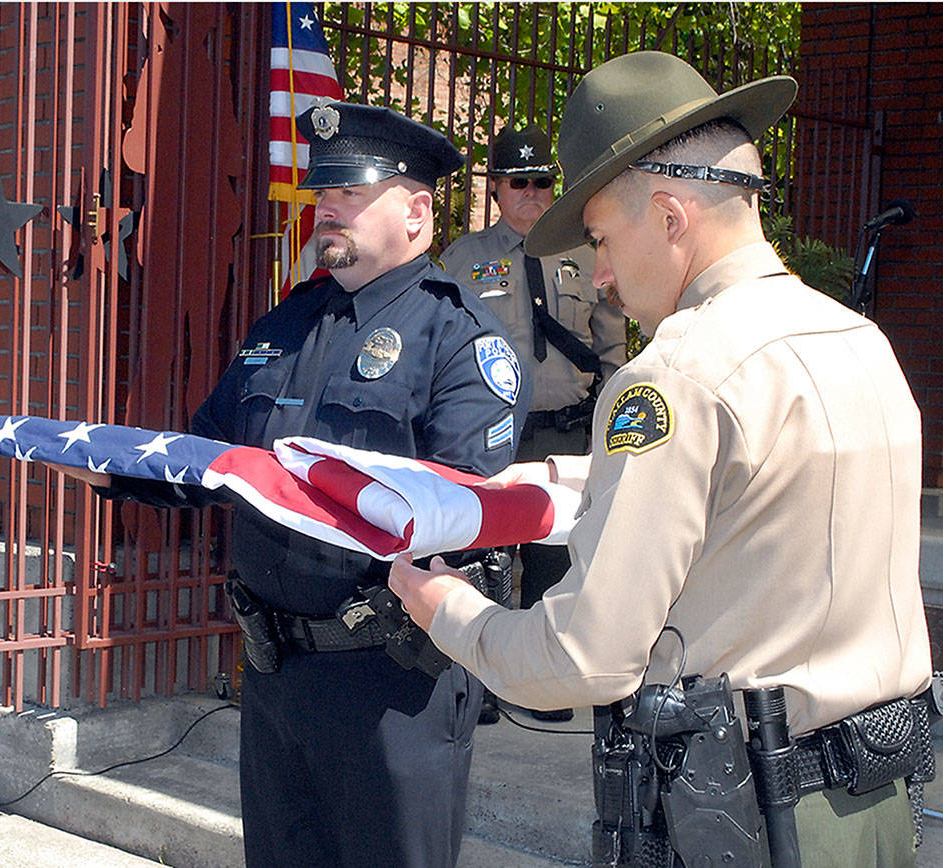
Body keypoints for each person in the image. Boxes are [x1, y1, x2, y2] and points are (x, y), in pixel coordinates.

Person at [390, 51, 933, 864]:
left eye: (604, 238)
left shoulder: (673, 377)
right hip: (878, 805)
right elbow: (755, 498)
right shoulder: (860, 341)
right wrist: (537, 482)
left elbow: (583, 657)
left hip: (747, 818)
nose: (601, 276)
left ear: (673, 218)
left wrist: (448, 612)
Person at [53, 102, 526, 867]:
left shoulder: (459, 339)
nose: (326, 206)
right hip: (275, 671)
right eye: (323, 192)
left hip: (390, 679)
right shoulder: (284, 325)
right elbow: (212, 458)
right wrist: (111, 471)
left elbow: (460, 511)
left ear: (416, 211)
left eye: (352, 191)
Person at [441, 125, 626, 723]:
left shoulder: (583, 254)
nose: (532, 193)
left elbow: (610, 341)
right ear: (495, 188)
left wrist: (608, 419)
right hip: (493, 434)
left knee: (553, 562)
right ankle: (483, 684)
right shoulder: (464, 259)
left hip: (563, 429)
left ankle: (538, 684)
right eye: (518, 182)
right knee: (488, 556)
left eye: (542, 181)